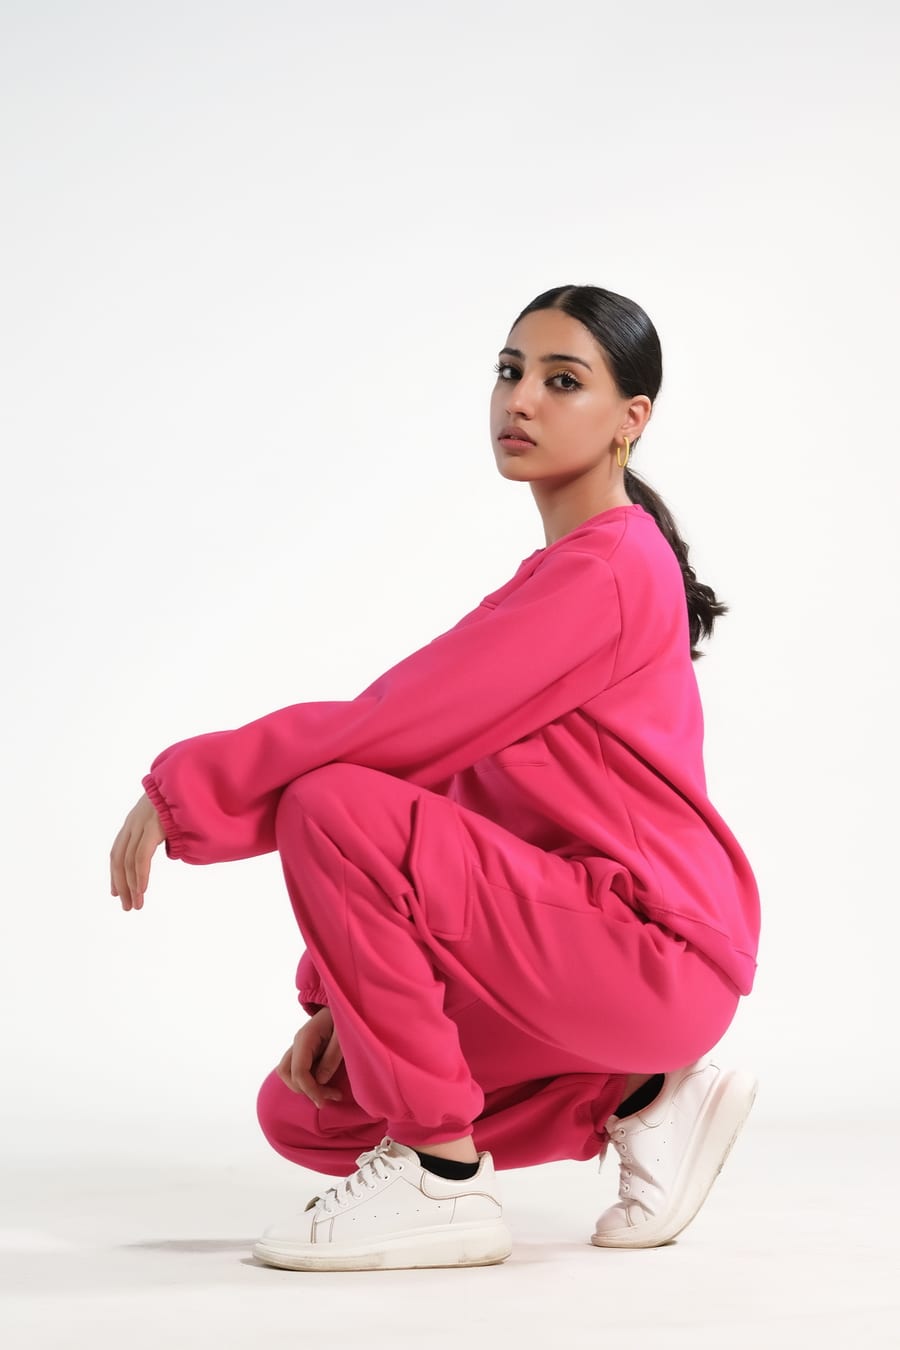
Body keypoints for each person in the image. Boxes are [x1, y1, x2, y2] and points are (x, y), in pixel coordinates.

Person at [109, 283, 760, 1274]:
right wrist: (338, 997)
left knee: (331, 798)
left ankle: (442, 1180)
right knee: (313, 1110)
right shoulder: (571, 571)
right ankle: (640, 1097)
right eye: (509, 372)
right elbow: (455, 793)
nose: (521, 400)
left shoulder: (610, 568)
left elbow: (393, 727)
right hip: (590, 949)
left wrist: (187, 790)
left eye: (562, 380)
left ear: (632, 418)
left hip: (651, 948)